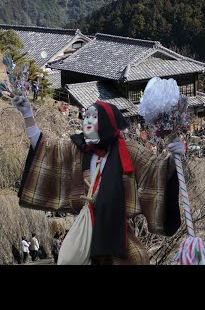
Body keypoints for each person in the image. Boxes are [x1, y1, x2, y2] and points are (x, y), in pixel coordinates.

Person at [12, 95, 184, 265]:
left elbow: (155, 170)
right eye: (86, 116)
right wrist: (28, 115)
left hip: (117, 231)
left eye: (94, 117)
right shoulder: (77, 149)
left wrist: (172, 159)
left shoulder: (129, 151)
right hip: (84, 228)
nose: (87, 120)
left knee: (137, 258)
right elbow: (46, 148)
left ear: (107, 123)